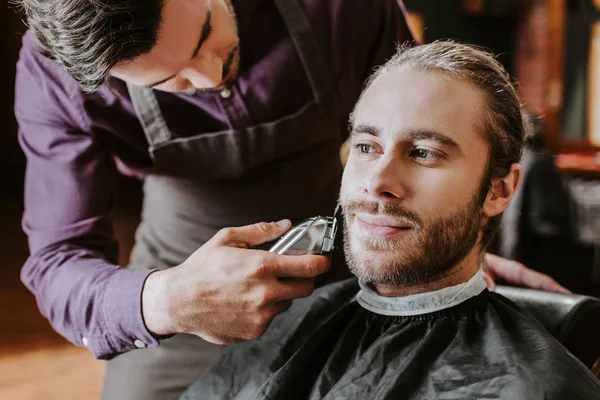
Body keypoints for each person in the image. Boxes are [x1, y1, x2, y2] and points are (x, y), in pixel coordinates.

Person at [13, 0, 567, 398]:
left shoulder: (342, 10)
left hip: (339, 274)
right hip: (179, 286)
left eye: (205, 35)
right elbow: (58, 263)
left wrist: (432, 251)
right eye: (168, 81)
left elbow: (421, 126)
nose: (209, 80)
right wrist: (167, 301)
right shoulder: (56, 75)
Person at [180, 41, 600, 400]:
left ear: (499, 190)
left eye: (423, 152)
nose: (378, 181)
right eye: (366, 146)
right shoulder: (288, 327)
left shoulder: (537, 387)